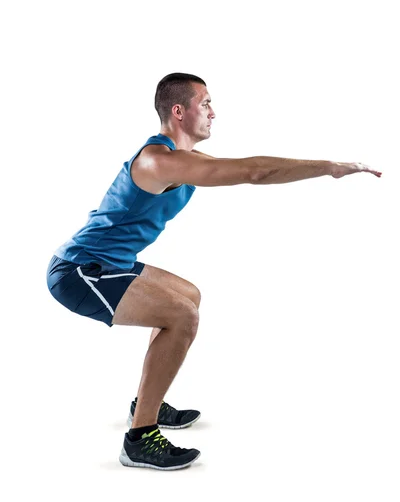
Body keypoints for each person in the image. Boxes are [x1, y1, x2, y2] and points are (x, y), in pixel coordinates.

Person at [46, 72, 382, 471]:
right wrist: (329, 167)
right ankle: (139, 438)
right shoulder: (159, 160)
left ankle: (146, 400)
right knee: (181, 316)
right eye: (205, 104)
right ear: (178, 111)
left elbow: (248, 168)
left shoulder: (181, 159)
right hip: (78, 271)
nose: (213, 113)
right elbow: (254, 172)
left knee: (188, 296)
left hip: (107, 264)